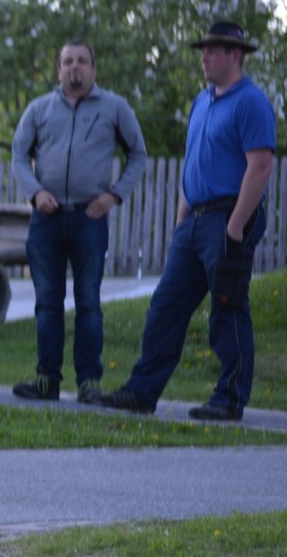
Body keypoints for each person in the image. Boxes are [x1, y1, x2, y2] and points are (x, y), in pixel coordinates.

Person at [88, 21, 276, 422]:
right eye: (203, 50)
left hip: (229, 217)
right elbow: (194, 163)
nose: (204, 57)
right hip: (195, 221)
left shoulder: (251, 102)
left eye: (213, 51)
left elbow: (260, 167)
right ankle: (141, 392)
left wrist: (235, 228)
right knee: (165, 307)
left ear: (236, 55)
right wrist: (181, 222)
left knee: (227, 305)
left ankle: (229, 398)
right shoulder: (202, 102)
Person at [10, 41, 149, 403]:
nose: (75, 67)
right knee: (47, 302)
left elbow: (138, 154)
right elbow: (18, 155)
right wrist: (36, 193)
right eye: (68, 61)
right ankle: (47, 381)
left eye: (82, 61)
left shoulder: (114, 108)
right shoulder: (39, 109)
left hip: (90, 218)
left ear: (93, 69)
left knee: (88, 303)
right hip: (47, 218)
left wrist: (114, 195)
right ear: (59, 70)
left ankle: (89, 382)